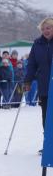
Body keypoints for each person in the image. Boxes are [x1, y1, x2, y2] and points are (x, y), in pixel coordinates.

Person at [24, 17, 53, 154]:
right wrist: (28, 80)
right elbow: (32, 64)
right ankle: (49, 144)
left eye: (48, 28)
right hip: (45, 86)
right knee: (46, 117)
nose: (46, 31)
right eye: (43, 29)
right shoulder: (37, 43)